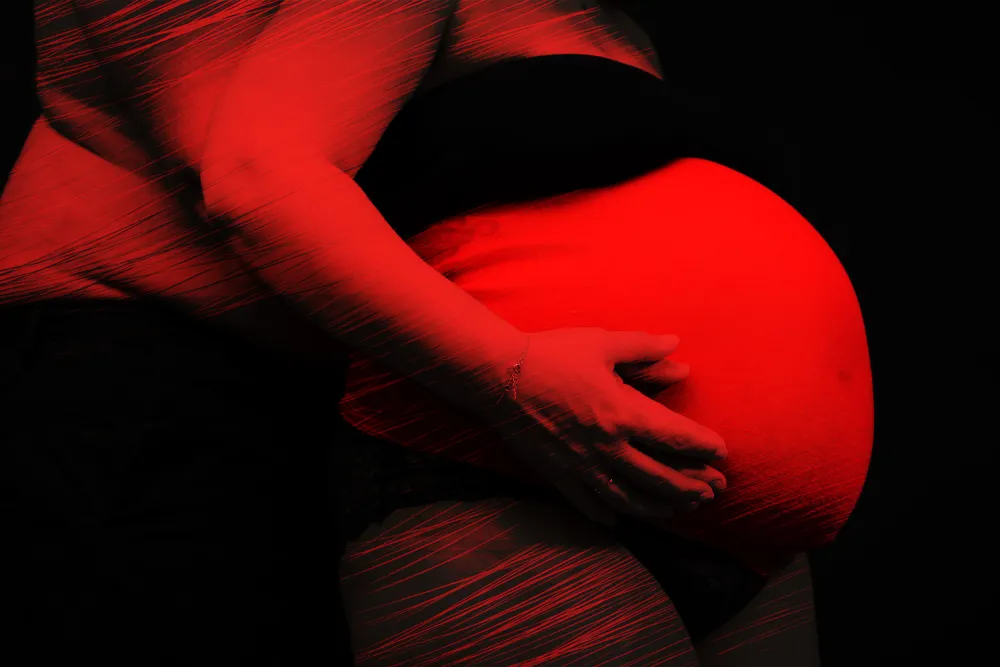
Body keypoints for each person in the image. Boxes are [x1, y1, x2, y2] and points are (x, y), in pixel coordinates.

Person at [1, 1, 871, 664]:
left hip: (694, 501)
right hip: (184, 393)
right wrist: (510, 371)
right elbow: (249, 174)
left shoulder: (601, 25)